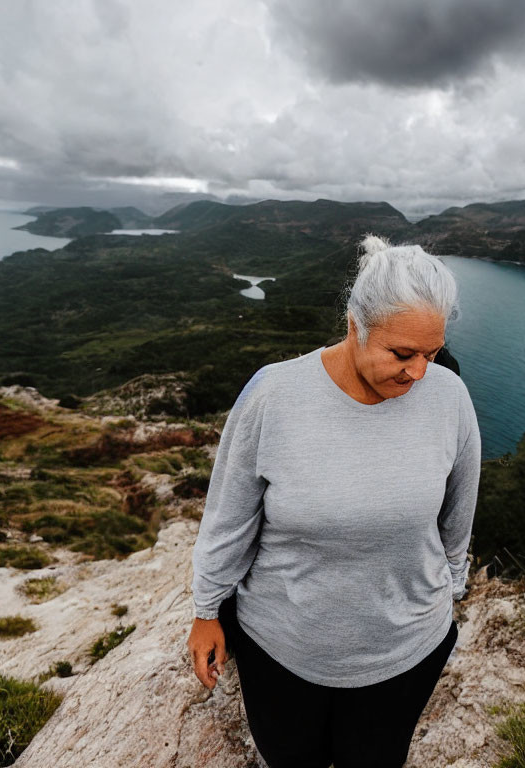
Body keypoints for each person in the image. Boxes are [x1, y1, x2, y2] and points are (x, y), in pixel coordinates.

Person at [187, 233, 482, 768]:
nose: (420, 372)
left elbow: (457, 516)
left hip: (405, 652)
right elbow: (227, 519)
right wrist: (207, 611)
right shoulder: (273, 396)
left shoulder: (449, 397)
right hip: (283, 650)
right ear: (354, 325)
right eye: (402, 353)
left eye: (433, 353)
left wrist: (451, 593)